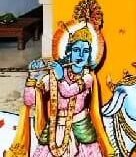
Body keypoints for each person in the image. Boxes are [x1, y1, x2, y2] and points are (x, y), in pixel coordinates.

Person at [8, 24, 112, 157]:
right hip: (55, 128)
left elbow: (68, 91)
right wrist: (32, 77)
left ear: (90, 55)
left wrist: (60, 77)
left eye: (85, 51)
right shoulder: (56, 73)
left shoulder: (87, 77)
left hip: (80, 128)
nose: (81, 55)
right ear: (68, 52)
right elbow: (30, 101)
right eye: (76, 50)